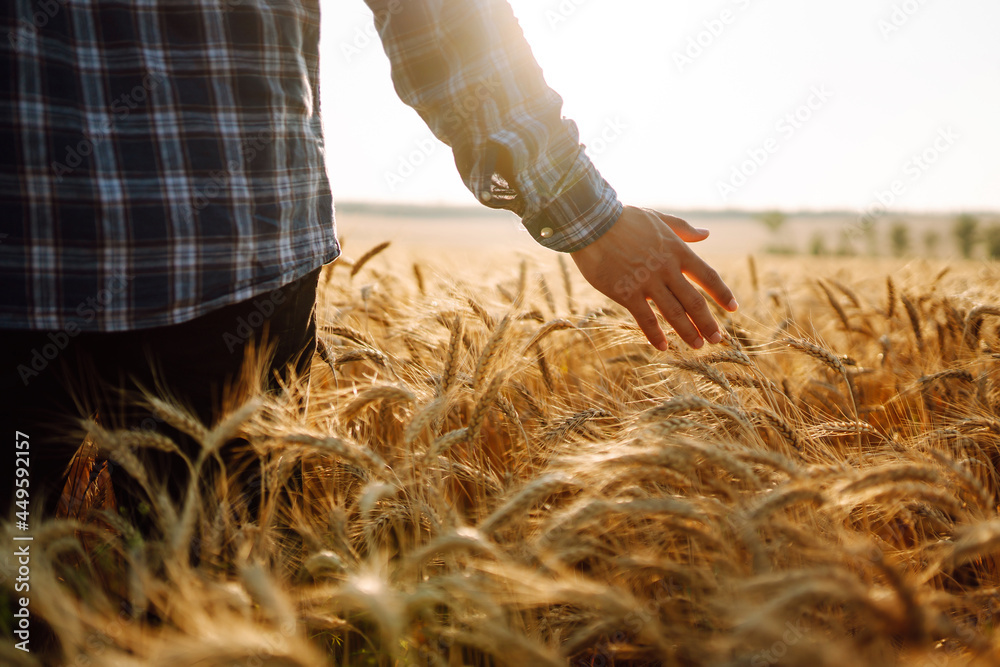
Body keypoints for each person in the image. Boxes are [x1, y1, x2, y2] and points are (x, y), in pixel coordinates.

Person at [0, 0, 737, 517]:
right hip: (229, 251)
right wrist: (583, 210)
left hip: (67, 249)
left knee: (20, 602)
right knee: (211, 601)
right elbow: (440, 16)